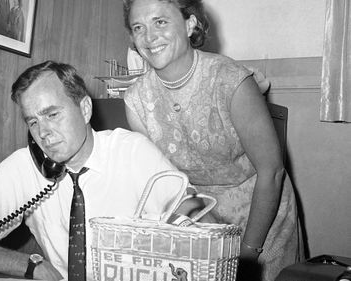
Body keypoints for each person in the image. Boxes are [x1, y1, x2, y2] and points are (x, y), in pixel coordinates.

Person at [0, 61, 186, 280]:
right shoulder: (24, 167)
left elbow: (205, 229)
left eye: (52, 114)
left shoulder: (133, 152)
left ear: (85, 109)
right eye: (33, 121)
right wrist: (29, 265)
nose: (43, 133)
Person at [121, 0, 304, 280]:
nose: (149, 36)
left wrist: (246, 254)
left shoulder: (231, 80)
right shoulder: (136, 101)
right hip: (201, 221)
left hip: (263, 218)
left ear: (189, 23)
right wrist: (201, 238)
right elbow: (165, 184)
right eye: (138, 27)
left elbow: (272, 171)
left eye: (160, 22)